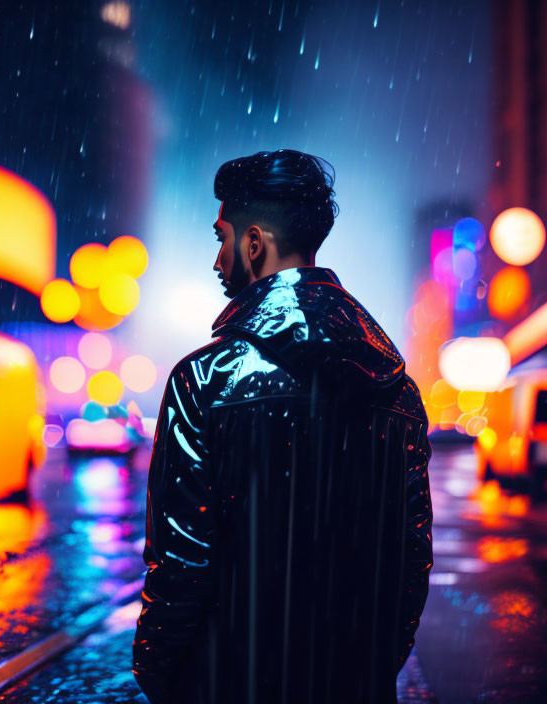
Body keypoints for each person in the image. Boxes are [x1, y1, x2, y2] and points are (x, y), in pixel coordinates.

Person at [132, 150, 433, 704]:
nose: (217, 260)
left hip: (230, 682)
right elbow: (411, 562)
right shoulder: (397, 391)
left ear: (253, 243)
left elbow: (180, 566)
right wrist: (366, 665)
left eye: (220, 238)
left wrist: (160, 677)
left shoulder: (204, 380)